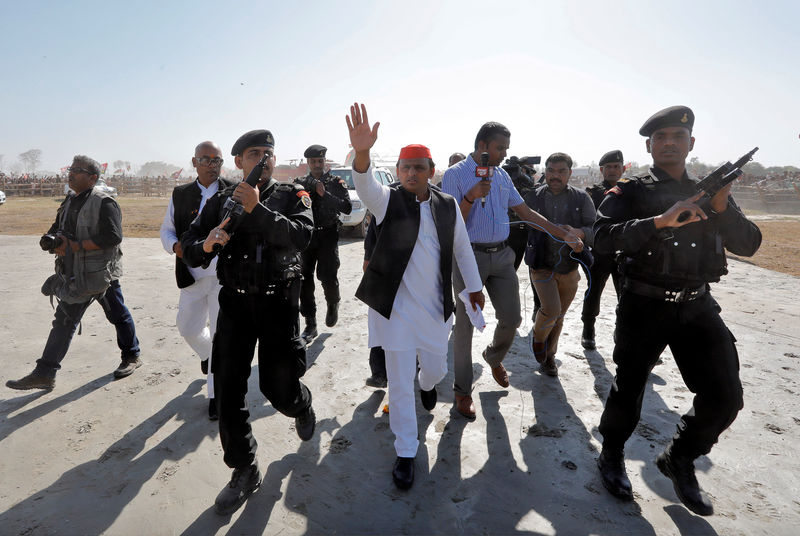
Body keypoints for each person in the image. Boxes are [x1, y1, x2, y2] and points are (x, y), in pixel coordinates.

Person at [594, 106, 762, 516]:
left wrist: (723, 207)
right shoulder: (630, 191)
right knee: (628, 389)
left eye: (676, 136)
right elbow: (600, 237)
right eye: (660, 137)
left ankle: (680, 457)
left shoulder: (713, 192)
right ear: (649, 146)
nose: (668, 142)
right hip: (644, 304)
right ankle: (612, 455)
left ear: (691, 143)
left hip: (696, 305)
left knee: (726, 396)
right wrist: (658, 222)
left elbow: (750, 245)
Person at [346, 103, 485, 489]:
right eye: (405, 167)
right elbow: (365, 186)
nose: (410, 173)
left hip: (435, 311)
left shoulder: (448, 205)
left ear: (431, 171)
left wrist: (473, 288)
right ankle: (406, 451)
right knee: (398, 382)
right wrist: (362, 154)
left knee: (435, 373)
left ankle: (428, 387)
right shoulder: (387, 201)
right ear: (399, 171)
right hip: (394, 312)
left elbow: (462, 250)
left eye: (418, 168)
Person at [181, 129, 316, 515]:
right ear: (239, 161)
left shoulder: (293, 196)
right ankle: (244, 468)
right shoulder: (221, 201)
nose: (264, 158)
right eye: (254, 153)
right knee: (226, 392)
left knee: (278, 391)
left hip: (277, 306)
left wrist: (259, 210)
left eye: (268, 153)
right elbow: (191, 247)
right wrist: (206, 245)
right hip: (235, 306)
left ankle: (301, 404)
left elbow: (302, 237)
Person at [441, 122, 583, 418]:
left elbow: (527, 214)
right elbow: (449, 223)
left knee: (513, 317)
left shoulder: (503, 176)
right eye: (500, 148)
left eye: (506, 148)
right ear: (482, 146)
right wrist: (470, 195)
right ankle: (462, 391)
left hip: (503, 256)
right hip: (468, 258)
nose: (505, 154)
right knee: (465, 325)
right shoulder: (455, 175)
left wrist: (561, 233)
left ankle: (494, 356)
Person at [7, 155, 141, 390]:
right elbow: (58, 228)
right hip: (74, 274)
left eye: (78, 170)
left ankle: (131, 356)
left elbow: (113, 237)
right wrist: (51, 240)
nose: (71, 173)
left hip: (101, 273)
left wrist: (76, 246)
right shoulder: (69, 201)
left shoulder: (105, 201)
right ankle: (45, 373)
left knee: (115, 314)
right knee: (67, 320)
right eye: (71, 168)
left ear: (93, 178)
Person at [160, 141, 233, 420]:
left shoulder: (232, 192)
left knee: (220, 335)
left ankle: (216, 396)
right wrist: (177, 248)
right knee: (188, 327)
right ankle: (207, 355)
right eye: (206, 159)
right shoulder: (181, 194)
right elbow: (166, 231)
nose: (212, 164)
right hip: (191, 273)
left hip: (222, 277)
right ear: (194, 162)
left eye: (217, 160)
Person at [525, 153, 596, 376]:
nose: (555, 176)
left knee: (559, 317)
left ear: (570, 173)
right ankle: (538, 339)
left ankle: (549, 358)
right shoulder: (532, 198)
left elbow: (596, 230)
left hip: (570, 267)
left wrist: (580, 234)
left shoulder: (581, 198)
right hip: (541, 266)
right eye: (551, 171)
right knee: (551, 310)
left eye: (561, 171)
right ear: (544, 172)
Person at [294, 144, 352, 342]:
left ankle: (333, 303)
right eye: (313, 162)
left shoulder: (336, 182)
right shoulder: (300, 183)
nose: (317, 165)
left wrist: (324, 194)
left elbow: (347, 207)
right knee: (304, 279)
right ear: (308, 163)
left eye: (320, 161)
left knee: (327, 276)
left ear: (324, 161)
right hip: (307, 237)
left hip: (328, 235)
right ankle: (310, 324)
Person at [580, 149, 625, 349]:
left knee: (626, 296)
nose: (613, 170)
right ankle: (588, 329)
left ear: (623, 168)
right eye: (609, 167)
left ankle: (622, 332)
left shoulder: (631, 191)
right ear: (602, 169)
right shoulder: (594, 192)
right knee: (593, 292)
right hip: (600, 252)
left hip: (625, 253)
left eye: (616, 167)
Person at [503, 156, 538, 270]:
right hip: (511, 230)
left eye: (531, 171)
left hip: (527, 230)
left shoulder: (528, 186)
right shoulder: (505, 181)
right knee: (509, 269)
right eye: (527, 170)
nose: (529, 174)